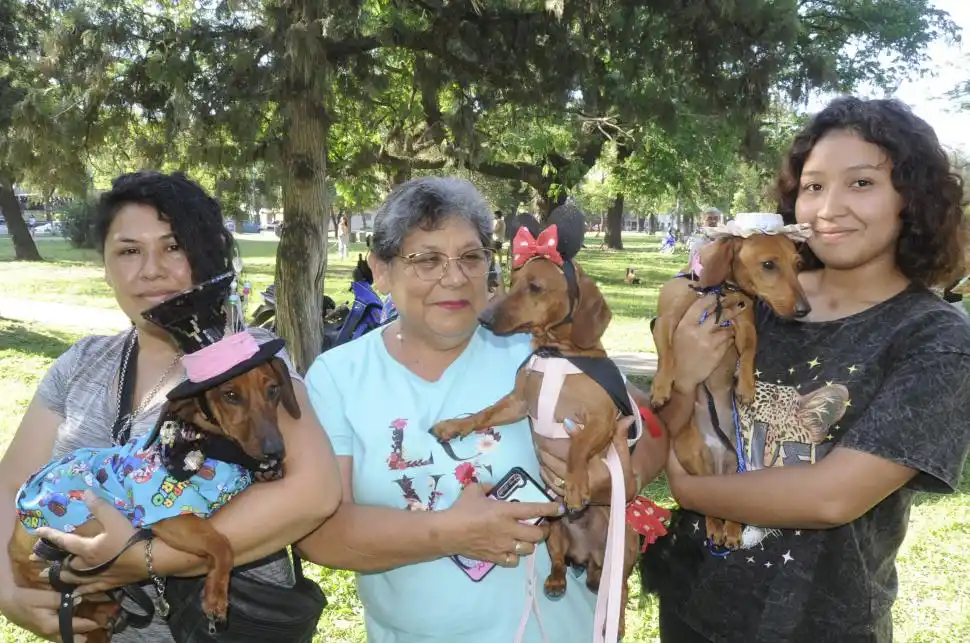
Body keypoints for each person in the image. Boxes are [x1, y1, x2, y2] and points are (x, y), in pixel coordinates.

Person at [642, 97, 970, 642]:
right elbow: (673, 417)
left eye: (861, 183)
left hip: (819, 625)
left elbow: (831, 497)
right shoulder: (750, 300)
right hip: (690, 607)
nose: (828, 208)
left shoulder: (932, 339)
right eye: (813, 186)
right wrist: (679, 378)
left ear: (909, 199)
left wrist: (686, 486)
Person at [295, 176, 669, 642]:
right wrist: (450, 533)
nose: (454, 277)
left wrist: (620, 477)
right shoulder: (338, 377)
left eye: (471, 257)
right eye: (427, 259)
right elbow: (319, 534)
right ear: (382, 271)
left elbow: (650, 425)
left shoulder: (538, 347)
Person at [0, 171, 341, 642]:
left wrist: (134, 559)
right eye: (128, 250)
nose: (152, 269)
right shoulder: (81, 364)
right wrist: (10, 594)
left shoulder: (248, 361)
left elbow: (314, 493)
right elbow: (11, 483)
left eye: (173, 246)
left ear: (204, 256)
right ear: (104, 264)